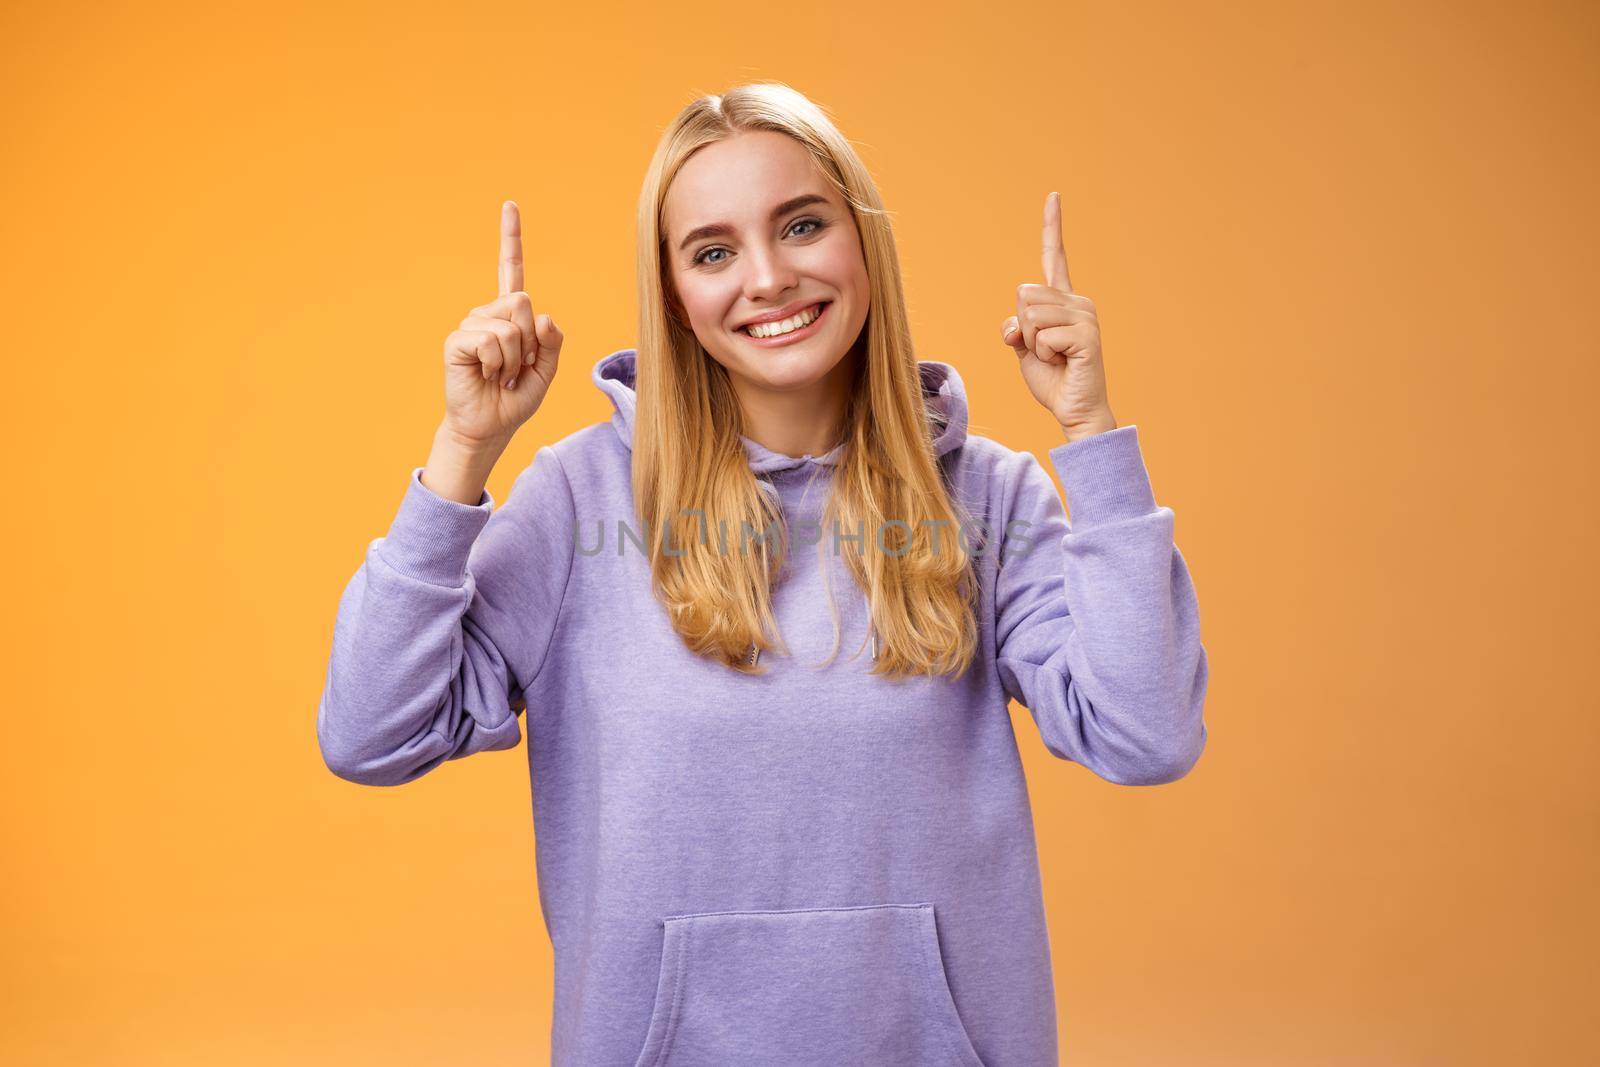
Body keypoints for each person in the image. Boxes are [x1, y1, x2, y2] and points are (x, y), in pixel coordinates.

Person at [317, 82, 1209, 1067]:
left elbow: (1145, 732)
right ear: (674, 298)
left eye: (802, 225)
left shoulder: (988, 497)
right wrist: (462, 447)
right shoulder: (577, 499)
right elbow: (370, 731)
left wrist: (1091, 436)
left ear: (863, 241)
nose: (769, 276)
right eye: (713, 250)